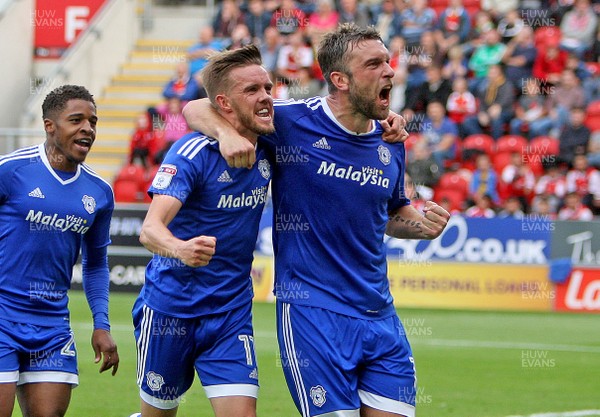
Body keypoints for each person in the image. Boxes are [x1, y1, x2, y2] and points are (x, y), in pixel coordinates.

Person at [183, 23, 450, 417]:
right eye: (374, 64)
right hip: (312, 311)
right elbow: (196, 107)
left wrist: (420, 225)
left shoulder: (389, 142)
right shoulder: (290, 122)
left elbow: (392, 213)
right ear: (339, 79)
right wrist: (225, 133)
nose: (390, 72)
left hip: (380, 315)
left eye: (388, 62)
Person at [132, 45, 275, 417]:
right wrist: (180, 249)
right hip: (169, 309)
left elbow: (194, 107)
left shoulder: (272, 138)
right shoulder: (192, 152)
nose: (266, 98)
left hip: (230, 311)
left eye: (268, 88)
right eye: (253, 91)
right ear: (225, 104)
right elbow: (149, 230)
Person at [0, 85, 119, 417]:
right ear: (50, 125)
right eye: (76, 120)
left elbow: (96, 264)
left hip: (52, 325)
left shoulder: (99, 192)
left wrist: (102, 324)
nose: (88, 129)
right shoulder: (10, 171)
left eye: (93, 122)